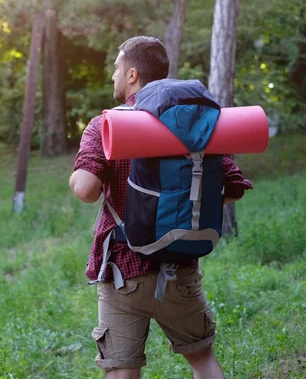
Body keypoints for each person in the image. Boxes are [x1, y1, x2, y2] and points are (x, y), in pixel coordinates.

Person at [69, 36, 253, 379]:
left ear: (133, 75)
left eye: (116, 69)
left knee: (121, 372)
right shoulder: (196, 124)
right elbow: (234, 191)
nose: (113, 77)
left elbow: (86, 190)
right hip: (179, 267)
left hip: (125, 271)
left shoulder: (107, 124)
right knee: (203, 361)